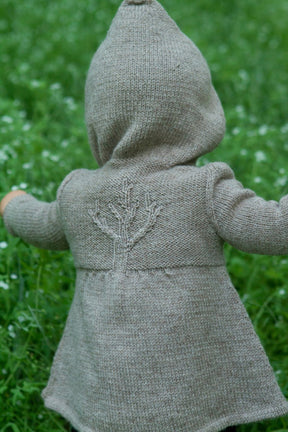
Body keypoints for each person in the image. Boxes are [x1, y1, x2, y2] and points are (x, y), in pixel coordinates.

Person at [1, 0, 288, 431]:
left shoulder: (78, 192)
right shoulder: (204, 190)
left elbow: (42, 224)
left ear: (99, 118)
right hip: (194, 389)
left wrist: (11, 204)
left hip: (104, 390)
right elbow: (274, 228)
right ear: (200, 113)